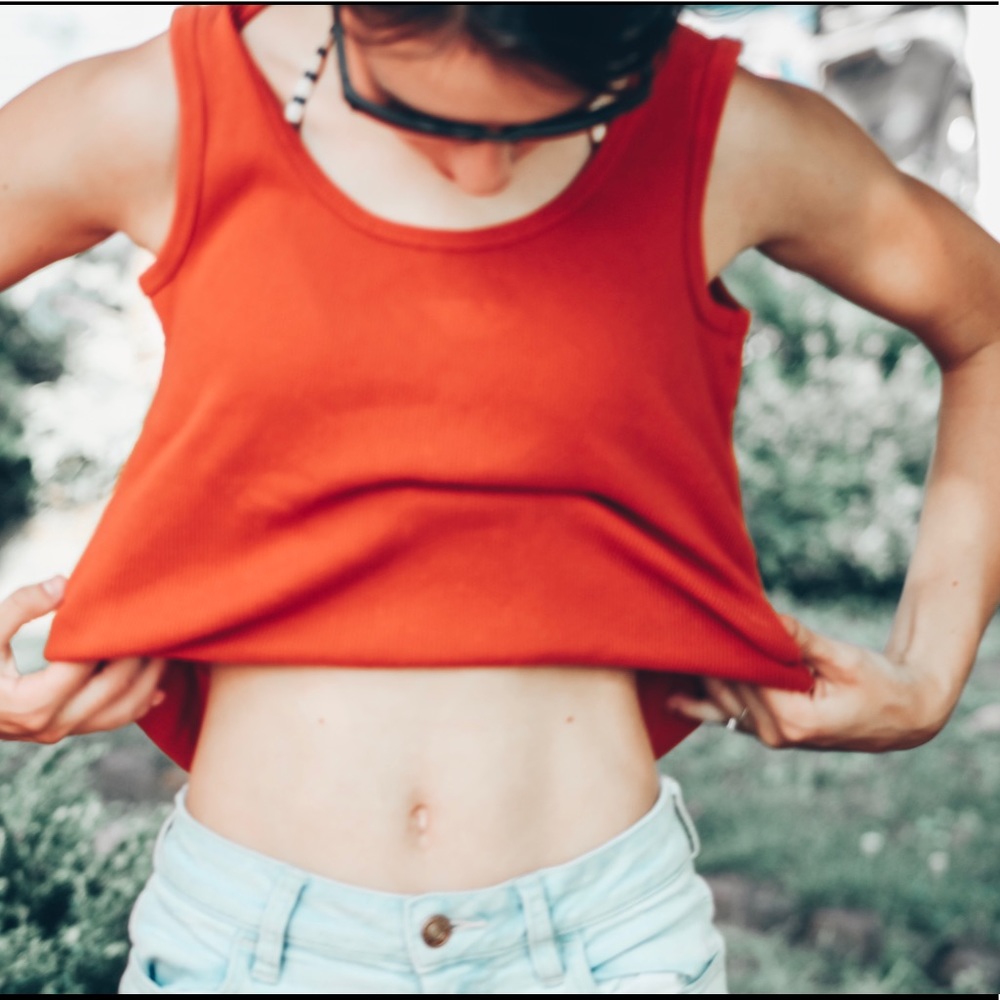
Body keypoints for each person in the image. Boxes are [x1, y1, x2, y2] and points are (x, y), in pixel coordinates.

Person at [1, 3, 998, 994]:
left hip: (609, 950)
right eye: (417, 114)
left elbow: (985, 326)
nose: (479, 175)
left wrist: (927, 669)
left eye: (544, 123)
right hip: (246, 951)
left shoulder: (723, 131)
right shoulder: (168, 110)